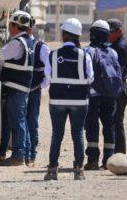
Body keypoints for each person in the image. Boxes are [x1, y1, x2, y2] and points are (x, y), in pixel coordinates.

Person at [44, 18, 93, 181]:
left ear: (64, 34)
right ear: (78, 36)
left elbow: (48, 76)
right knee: (78, 133)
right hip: (79, 101)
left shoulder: (54, 54)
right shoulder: (84, 55)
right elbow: (90, 77)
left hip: (57, 101)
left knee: (57, 134)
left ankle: (52, 170)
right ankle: (78, 170)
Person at [0, 10, 35, 166]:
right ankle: (8, 154)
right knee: (13, 121)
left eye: (11, 25)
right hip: (19, 88)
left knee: (17, 122)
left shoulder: (16, 43)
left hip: (15, 88)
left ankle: (18, 155)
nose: (10, 28)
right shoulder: (28, 42)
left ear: (16, 26)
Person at [84, 20, 122, 170]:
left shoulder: (88, 51)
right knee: (109, 127)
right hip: (111, 95)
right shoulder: (113, 52)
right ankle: (108, 160)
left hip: (93, 95)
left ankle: (92, 160)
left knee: (92, 126)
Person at [25, 18, 50, 167]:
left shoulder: (41, 47)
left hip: (34, 91)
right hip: (19, 91)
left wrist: (42, 85)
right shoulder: (16, 44)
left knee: (32, 122)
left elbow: (49, 69)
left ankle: (31, 154)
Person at [107, 18, 127, 154]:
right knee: (113, 122)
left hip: (119, 88)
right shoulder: (115, 43)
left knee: (117, 122)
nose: (108, 35)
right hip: (117, 87)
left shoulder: (120, 46)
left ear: (119, 31)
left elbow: (118, 72)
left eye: (111, 32)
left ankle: (120, 154)